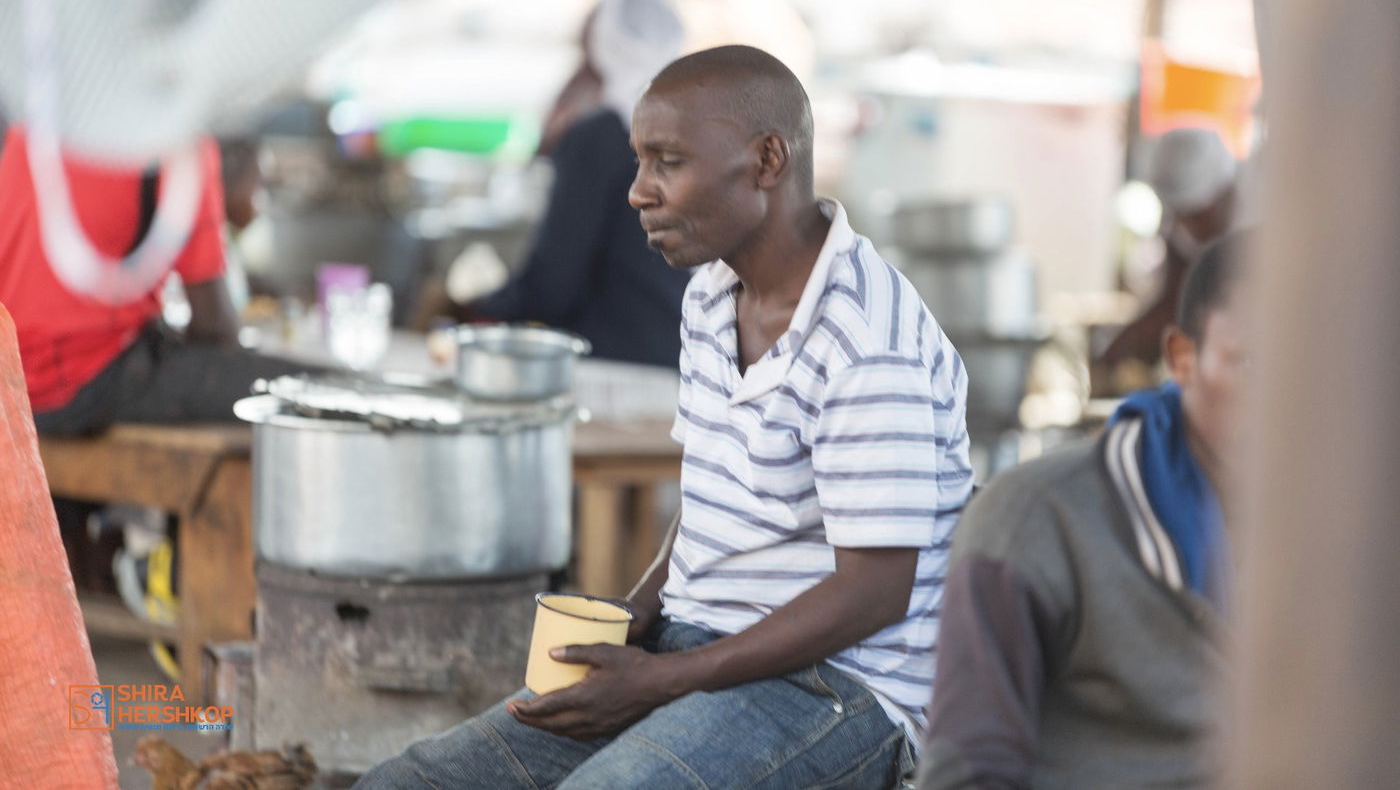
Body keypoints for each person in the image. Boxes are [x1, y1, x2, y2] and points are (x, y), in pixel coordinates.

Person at [356, 45, 973, 788]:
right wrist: (640, 610)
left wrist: (662, 683)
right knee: (408, 782)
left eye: (667, 162)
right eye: (639, 162)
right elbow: (714, 487)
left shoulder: (867, 338)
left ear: (767, 160)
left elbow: (875, 592)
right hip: (696, 649)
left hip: (837, 689)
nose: (636, 192)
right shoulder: (713, 296)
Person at [917, 232, 1248, 789]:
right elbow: (968, 774)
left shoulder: (1353, 544)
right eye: (1254, 362)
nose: (1295, 398)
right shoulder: (1036, 523)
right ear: (1182, 359)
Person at [436, 0, 692, 368]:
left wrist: (477, 307)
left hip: (609, 365)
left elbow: (555, 285)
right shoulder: (692, 131)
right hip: (681, 362)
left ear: (603, 47)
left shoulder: (600, 137)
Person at [0, 125, 310, 436]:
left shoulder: (32, 124)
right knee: (310, 389)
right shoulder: (180, 141)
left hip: (11, 382)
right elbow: (215, 329)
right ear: (240, 157)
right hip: (83, 383)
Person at [1098, 127, 1240, 378]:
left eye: (1197, 214)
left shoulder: (1260, 227)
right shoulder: (1178, 227)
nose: (1187, 225)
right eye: (1180, 214)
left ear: (1224, 192)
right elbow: (1173, 299)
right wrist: (1117, 353)